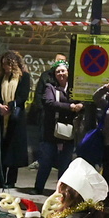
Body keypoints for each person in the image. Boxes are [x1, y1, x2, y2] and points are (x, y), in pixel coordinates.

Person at [33, 62, 85, 195]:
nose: (61, 74)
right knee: (46, 160)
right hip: (51, 130)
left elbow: (84, 102)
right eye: (58, 72)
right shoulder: (50, 87)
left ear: (68, 72)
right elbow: (49, 102)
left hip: (69, 131)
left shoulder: (75, 89)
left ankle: (61, 192)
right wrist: (70, 107)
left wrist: (81, 106)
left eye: (63, 71)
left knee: (65, 163)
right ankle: (38, 188)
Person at [0, 52, 32, 191]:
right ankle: (0, 179)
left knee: (13, 149)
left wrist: (10, 107)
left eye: (7, 64)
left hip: (15, 118)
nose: (5, 67)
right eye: (3, 64)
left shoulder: (24, 77)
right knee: (1, 148)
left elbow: (23, 96)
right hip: (2, 117)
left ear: (14, 64)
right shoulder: (2, 77)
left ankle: (11, 180)